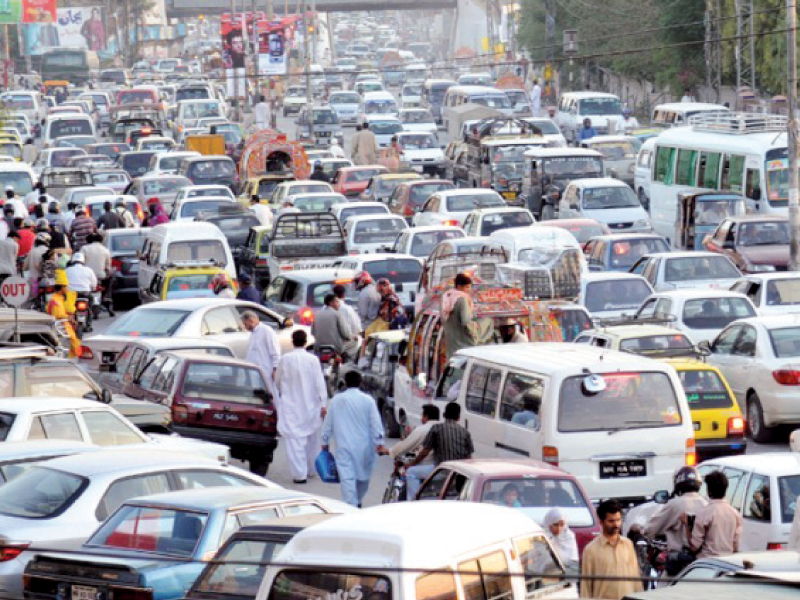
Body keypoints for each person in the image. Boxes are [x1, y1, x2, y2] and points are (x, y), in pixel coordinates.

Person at [321, 370, 387, 507]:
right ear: (360, 382)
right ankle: (354, 504)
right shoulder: (368, 401)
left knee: (347, 478)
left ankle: (352, 503)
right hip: (365, 447)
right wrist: (379, 442)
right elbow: (376, 422)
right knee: (363, 478)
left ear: (345, 382)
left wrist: (324, 441)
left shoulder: (337, 400)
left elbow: (328, 422)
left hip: (344, 446)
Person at [275, 330, 328, 483]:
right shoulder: (312, 360)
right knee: (312, 438)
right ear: (305, 342)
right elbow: (320, 383)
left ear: (293, 342)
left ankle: (300, 475)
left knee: (295, 440)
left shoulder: (285, 359)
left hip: (291, 405)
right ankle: (312, 469)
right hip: (311, 405)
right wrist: (323, 403)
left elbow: (277, 381)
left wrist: (281, 392)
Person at [644, 466, 707, 574]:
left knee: (661, 590)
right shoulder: (706, 504)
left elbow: (650, 530)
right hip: (703, 564)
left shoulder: (674, 504)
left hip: (679, 564)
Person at [405, 402, 473, 500]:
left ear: (444, 415)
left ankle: (414, 502)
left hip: (441, 471)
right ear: (458, 417)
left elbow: (425, 452)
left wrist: (412, 463)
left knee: (411, 472)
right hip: (458, 474)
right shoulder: (465, 432)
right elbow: (469, 458)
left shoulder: (436, 428)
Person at [581, 499, 643, 599]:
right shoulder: (591, 550)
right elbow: (586, 586)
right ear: (601, 522)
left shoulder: (628, 545)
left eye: (618, 520)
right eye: (611, 521)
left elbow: (636, 579)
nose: (616, 525)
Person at [689, 470, 743, 558]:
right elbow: (736, 545)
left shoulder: (704, 513)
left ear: (709, 491)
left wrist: (686, 525)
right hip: (727, 561)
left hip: (707, 562)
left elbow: (694, 546)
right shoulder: (735, 514)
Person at [441, 273, 493, 360]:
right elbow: (466, 321)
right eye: (467, 287)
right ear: (459, 286)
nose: (469, 290)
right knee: (488, 321)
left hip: (452, 345)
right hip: (465, 344)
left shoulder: (446, 297)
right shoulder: (462, 299)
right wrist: (475, 328)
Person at [312, 293, 358, 360]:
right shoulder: (337, 314)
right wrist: (351, 337)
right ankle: (345, 361)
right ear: (331, 303)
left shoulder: (317, 314)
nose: (338, 304)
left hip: (318, 347)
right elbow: (346, 334)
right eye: (337, 301)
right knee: (355, 342)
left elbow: (313, 332)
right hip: (335, 348)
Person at [47, 270, 80, 358]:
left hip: (64, 326)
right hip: (61, 328)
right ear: (62, 288)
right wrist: (69, 318)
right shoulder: (55, 300)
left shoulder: (59, 298)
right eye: (66, 287)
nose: (68, 289)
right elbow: (58, 316)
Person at [82, 232, 115, 316]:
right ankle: (106, 296)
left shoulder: (84, 248)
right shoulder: (105, 250)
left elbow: (80, 262)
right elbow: (108, 266)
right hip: (101, 277)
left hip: (87, 277)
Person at [243, 310, 281, 382]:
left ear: (251, 321)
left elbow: (275, 351)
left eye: (245, 324)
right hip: (254, 371)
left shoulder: (266, 331)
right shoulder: (253, 334)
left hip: (265, 371)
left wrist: (275, 368)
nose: (245, 327)